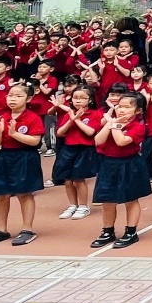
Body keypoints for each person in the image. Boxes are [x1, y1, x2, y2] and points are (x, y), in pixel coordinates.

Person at [0, 81, 45, 247]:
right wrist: (1, 132)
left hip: (25, 157)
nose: (13, 99)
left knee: (24, 194)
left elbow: (35, 141)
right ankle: (1, 229)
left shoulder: (32, 118)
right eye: (10, 95)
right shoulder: (1, 118)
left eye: (18, 96)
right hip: (4, 156)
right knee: (1, 194)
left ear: (28, 98)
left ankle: (27, 230)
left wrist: (14, 133)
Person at [90, 91, 152, 249]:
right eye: (119, 106)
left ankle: (131, 231)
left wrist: (114, 125)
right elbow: (98, 140)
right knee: (107, 200)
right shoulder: (111, 123)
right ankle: (108, 231)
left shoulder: (138, 126)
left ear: (138, 111)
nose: (121, 110)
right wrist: (109, 125)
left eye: (127, 107)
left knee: (131, 199)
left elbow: (121, 141)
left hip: (129, 164)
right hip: (108, 164)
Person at [53, 86, 101, 220]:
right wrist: (71, 120)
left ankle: (83, 206)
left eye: (82, 98)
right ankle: (72, 205)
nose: (78, 101)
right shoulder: (69, 114)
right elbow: (60, 132)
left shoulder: (95, 114)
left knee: (79, 179)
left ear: (90, 100)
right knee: (68, 180)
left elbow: (90, 132)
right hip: (68, 148)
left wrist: (78, 119)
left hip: (84, 149)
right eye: (75, 98)